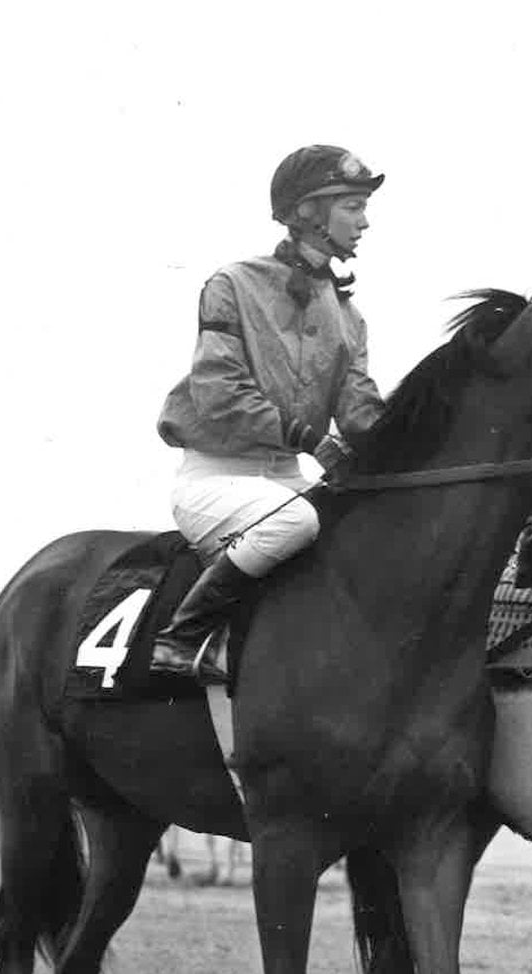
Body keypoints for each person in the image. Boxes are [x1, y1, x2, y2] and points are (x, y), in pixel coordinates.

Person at [148, 145, 387, 682]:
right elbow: (219, 391)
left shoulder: (350, 319)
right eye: (352, 206)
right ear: (308, 212)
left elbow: (361, 414)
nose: (365, 221)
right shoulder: (232, 284)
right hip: (216, 481)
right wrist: (311, 440)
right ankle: (182, 635)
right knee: (296, 521)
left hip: (283, 482)